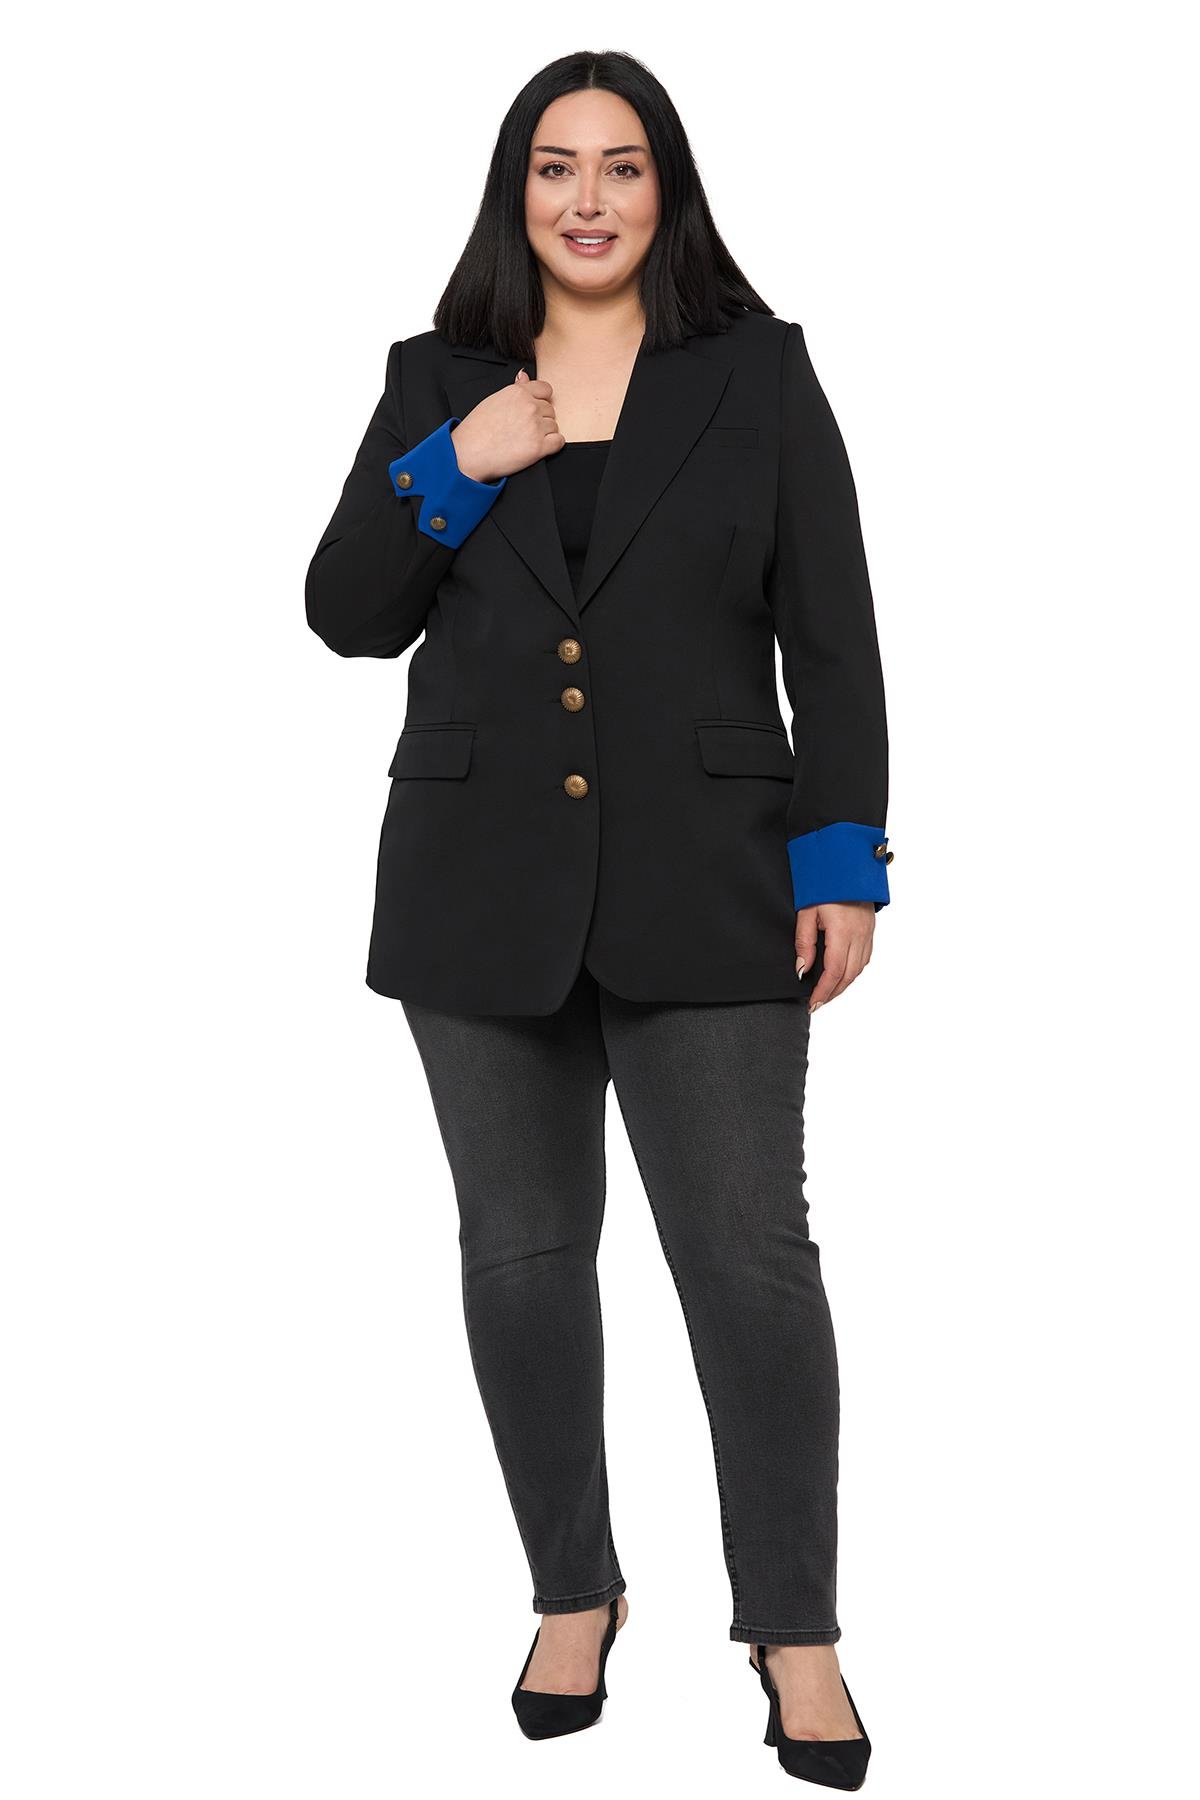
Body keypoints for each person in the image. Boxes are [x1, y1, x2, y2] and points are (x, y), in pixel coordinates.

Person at [306, 48, 891, 1789]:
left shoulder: (756, 373)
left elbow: (834, 634)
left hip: (713, 882)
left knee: (751, 1264)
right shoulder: (437, 379)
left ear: (666, 190)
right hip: (476, 885)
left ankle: (795, 1627)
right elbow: (346, 611)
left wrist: (839, 862)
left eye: (621, 166)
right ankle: (576, 1592)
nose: (587, 198)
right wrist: (457, 465)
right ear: (517, 193)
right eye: (555, 166)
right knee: (521, 1260)